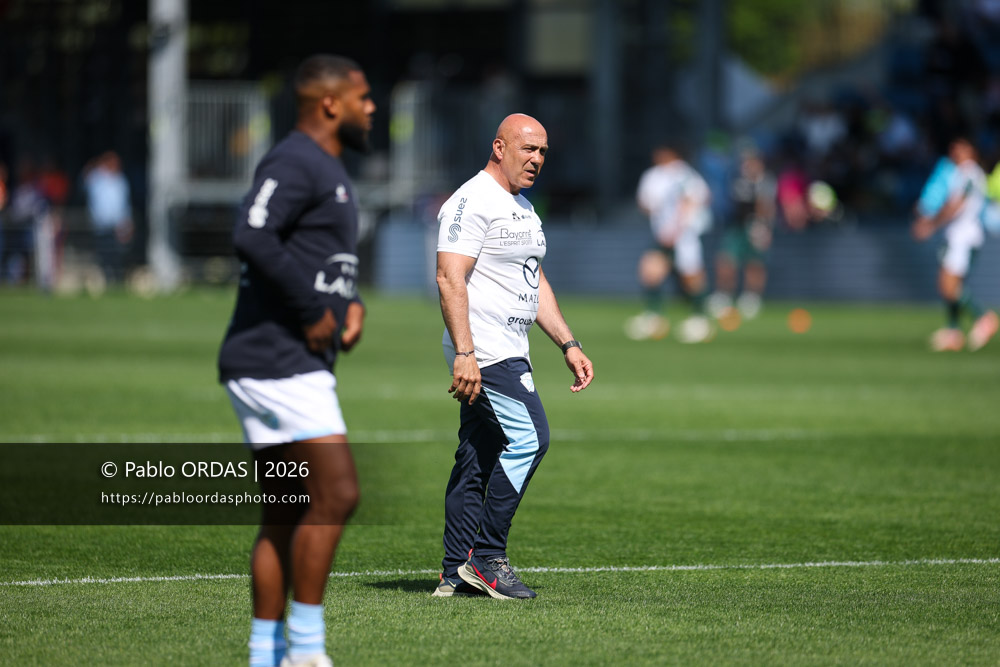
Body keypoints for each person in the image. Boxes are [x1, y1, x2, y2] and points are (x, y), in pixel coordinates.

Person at [217, 54, 374, 667]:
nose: (371, 108)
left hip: (282, 359)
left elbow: (313, 253)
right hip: (278, 359)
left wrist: (349, 301)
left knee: (285, 511)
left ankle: (265, 655)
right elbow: (252, 233)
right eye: (363, 97)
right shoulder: (296, 158)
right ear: (330, 103)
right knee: (337, 494)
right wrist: (313, 311)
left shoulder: (326, 166)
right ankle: (306, 652)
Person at [434, 113, 594, 600]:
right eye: (528, 149)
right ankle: (486, 558)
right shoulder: (469, 201)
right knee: (530, 439)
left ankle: (453, 571)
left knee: (477, 456)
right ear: (499, 147)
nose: (537, 160)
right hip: (484, 350)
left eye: (543, 152)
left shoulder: (522, 207)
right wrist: (466, 353)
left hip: (510, 348)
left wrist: (568, 343)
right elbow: (448, 277)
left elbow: (534, 279)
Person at [912, 136, 998, 351]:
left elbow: (955, 205)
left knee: (948, 285)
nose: (955, 152)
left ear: (971, 151)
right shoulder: (964, 173)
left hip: (963, 237)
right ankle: (953, 331)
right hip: (960, 236)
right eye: (953, 148)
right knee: (950, 285)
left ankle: (983, 317)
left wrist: (930, 225)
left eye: (960, 148)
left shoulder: (969, 173)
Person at [625, 145, 714, 343]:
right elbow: (645, 203)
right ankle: (654, 316)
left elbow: (695, 199)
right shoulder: (654, 175)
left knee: (691, 275)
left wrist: (677, 225)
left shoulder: (685, 175)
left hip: (684, 235)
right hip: (663, 234)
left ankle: (700, 318)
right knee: (650, 270)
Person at [706, 147, 777, 322]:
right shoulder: (736, 178)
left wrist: (764, 227)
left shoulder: (766, 181)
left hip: (757, 226)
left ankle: (751, 298)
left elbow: (767, 206)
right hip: (736, 226)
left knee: (755, 263)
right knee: (726, 260)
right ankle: (723, 295)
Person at [82, 150, 132, 286]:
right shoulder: (96, 179)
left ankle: (117, 282)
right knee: (103, 256)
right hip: (100, 226)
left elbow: (125, 205)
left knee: (117, 256)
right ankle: (107, 281)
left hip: (117, 227)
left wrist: (127, 223)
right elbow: (83, 183)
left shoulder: (121, 181)